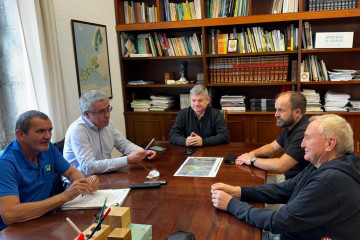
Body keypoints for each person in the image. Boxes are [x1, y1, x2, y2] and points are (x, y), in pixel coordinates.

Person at [211, 114, 360, 239]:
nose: (302, 144)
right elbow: (284, 189)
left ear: (330, 143)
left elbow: (278, 221)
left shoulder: (330, 181)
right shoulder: (325, 164)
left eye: (308, 138)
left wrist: (231, 204)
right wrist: (238, 192)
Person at [0, 110, 98, 230]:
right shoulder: (5, 163)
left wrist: (85, 182)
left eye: (50, 130)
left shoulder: (47, 149)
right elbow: (10, 214)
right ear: (21, 135)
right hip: (16, 229)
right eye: (40, 131)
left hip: (45, 219)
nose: (48, 136)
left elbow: (72, 172)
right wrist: (65, 196)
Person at [64, 89, 156, 176]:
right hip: (80, 183)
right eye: (101, 112)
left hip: (104, 176)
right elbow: (89, 167)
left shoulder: (108, 124)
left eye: (108, 109)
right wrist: (127, 160)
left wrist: (143, 152)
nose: (107, 115)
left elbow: (124, 145)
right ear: (87, 114)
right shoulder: (77, 130)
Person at [236, 91, 309, 180]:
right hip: (289, 179)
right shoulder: (290, 125)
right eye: (276, 109)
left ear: (297, 112)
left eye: (281, 110)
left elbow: (281, 166)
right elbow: (272, 148)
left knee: (248, 187)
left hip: (296, 186)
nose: (276, 114)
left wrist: (252, 160)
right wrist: (251, 154)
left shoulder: (303, 133)